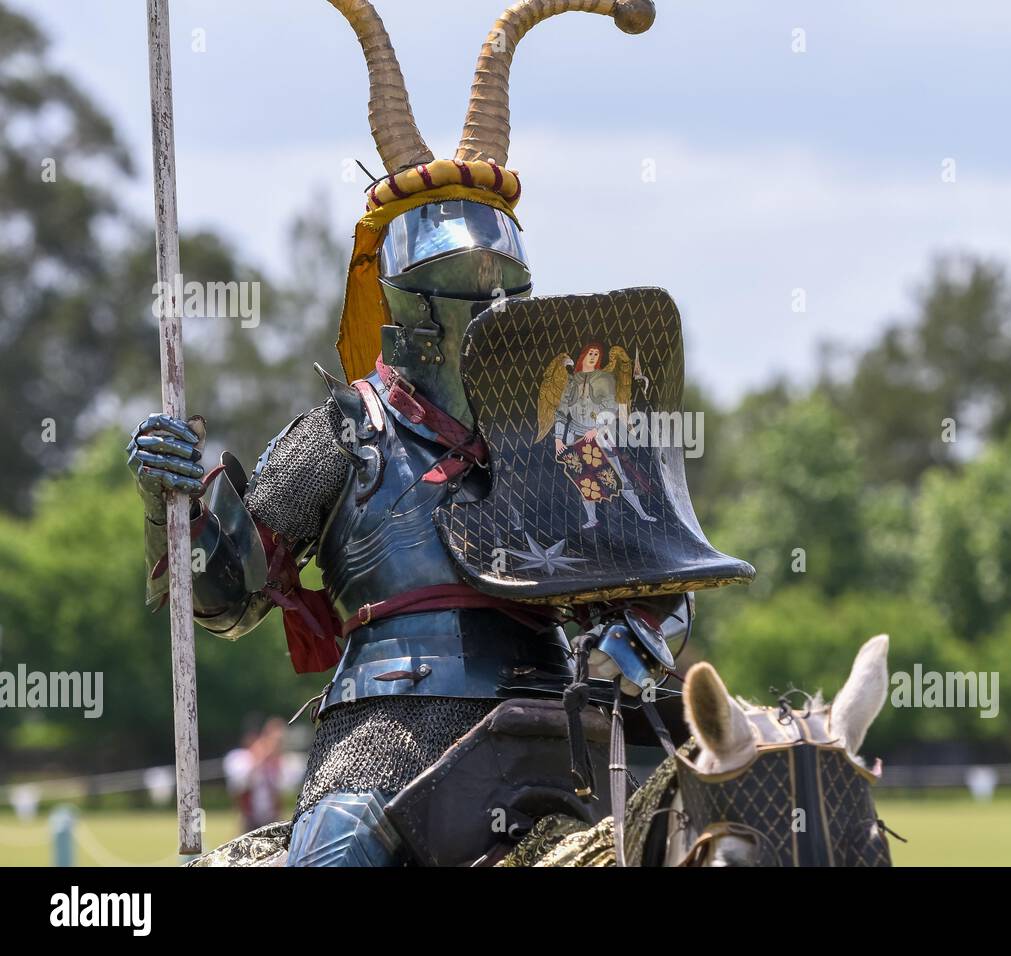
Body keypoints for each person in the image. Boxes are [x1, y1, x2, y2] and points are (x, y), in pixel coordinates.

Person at [128, 0, 746, 867]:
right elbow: (224, 596)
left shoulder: (563, 430)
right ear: (407, 299)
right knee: (337, 856)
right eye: (461, 281)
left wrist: (640, 631)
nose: (483, 297)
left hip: (551, 724)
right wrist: (175, 505)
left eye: (496, 280)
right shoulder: (343, 432)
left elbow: (646, 562)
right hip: (385, 734)